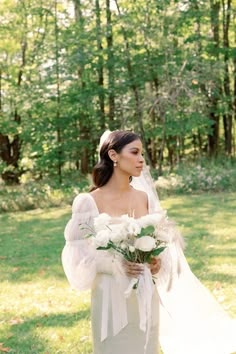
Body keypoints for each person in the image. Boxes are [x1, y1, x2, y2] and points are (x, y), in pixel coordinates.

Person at [62, 130, 236, 354]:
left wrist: (155, 262)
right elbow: (77, 255)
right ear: (113, 155)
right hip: (111, 296)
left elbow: (158, 239)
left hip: (144, 293)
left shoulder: (143, 198)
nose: (141, 159)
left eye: (142, 153)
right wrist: (115, 265)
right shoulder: (87, 202)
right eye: (134, 152)